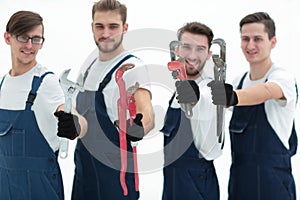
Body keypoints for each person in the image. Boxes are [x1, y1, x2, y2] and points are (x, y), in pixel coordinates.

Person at [208, 12, 298, 200]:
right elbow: (211, 107)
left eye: (258, 39)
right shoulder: (238, 81)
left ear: (272, 42)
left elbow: (266, 91)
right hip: (239, 184)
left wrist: (231, 97)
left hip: (273, 187)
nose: (250, 45)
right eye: (245, 39)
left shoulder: (282, 77)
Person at [71, 0, 154, 199]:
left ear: (125, 28)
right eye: (100, 26)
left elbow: (147, 113)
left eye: (113, 27)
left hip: (117, 180)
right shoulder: (89, 66)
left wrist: (140, 127)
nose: (106, 33)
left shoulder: (133, 68)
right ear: (92, 27)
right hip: (84, 172)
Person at [0, 10, 87, 200]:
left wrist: (74, 124)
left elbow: (74, 116)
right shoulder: (2, 84)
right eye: (23, 37)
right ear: (8, 38)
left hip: (40, 190)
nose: (30, 45)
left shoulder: (45, 82)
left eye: (36, 39)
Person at [160, 22, 223, 200]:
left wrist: (193, 95)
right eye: (187, 47)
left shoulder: (211, 89)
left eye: (201, 49)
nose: (193, 55)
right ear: (178, 50)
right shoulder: (175, 93)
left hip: (197, 187)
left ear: (209, 54)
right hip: (171, 183)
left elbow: (201, 98)